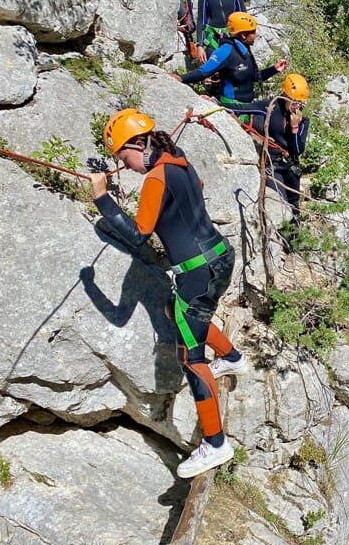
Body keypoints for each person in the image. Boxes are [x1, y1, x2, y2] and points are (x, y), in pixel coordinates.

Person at [88, 108, 248, 479]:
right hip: (220, 257)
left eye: (122, 157)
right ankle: (232, 356)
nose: (123, 165)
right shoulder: (180, 162)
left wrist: (102, 199)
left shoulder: (156, 178)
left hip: (196, 273)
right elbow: (199, 189)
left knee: (192, 359)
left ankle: (215, 443)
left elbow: (140, 233)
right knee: (188, 315)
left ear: (137, 145)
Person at [223, 73, 310, 220]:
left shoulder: (302, 121)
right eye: (294, 102)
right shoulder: (270, 107)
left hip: (291, 166)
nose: (298, 106)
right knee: (280, 205)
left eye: (301, 103)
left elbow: (298, 149)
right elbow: (242, 108)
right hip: (273, 164)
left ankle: (293, 239)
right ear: (285, 96)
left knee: (294, 205)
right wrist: (218, 104)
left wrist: (294, 129)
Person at [170, 12, 288, 105]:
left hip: (246, 105)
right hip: (232, 106)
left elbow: (253, 77)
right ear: (243, 35)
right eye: (253, 32)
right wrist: (181, 78)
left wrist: (274, 69)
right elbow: (203, 72)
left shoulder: (245, 49)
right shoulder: (226, 51)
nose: (256, 35)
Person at [196, 0, 246, 64]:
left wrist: (244, 40)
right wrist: (199, 45)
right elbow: (201, 18)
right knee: (213, 71)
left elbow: (243, 16)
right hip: (211, 38)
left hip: (231, 37)